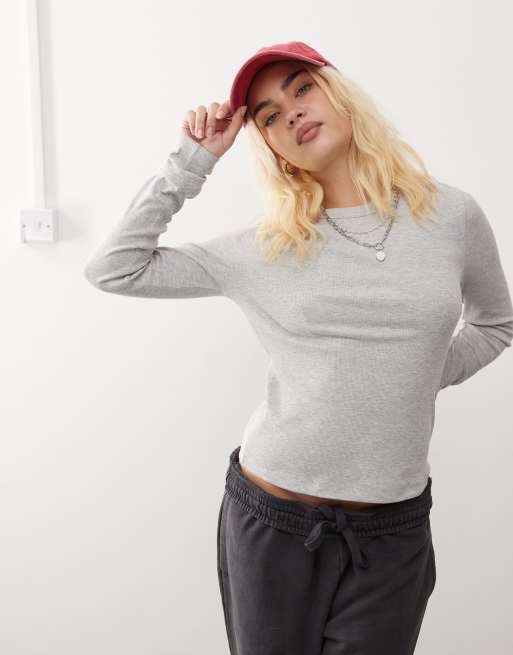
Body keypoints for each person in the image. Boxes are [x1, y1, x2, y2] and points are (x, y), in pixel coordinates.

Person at [83, 41, 513, 654]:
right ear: (272, 148)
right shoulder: (266, 245)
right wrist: (192, 162)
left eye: (302, 88)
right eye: (268, 115)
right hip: (274, 520)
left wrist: (419, 373)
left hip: (392, 527)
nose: (292, 113)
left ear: (339, 94)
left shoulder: (452, 216)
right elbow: (115, 269)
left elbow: (496, 322)